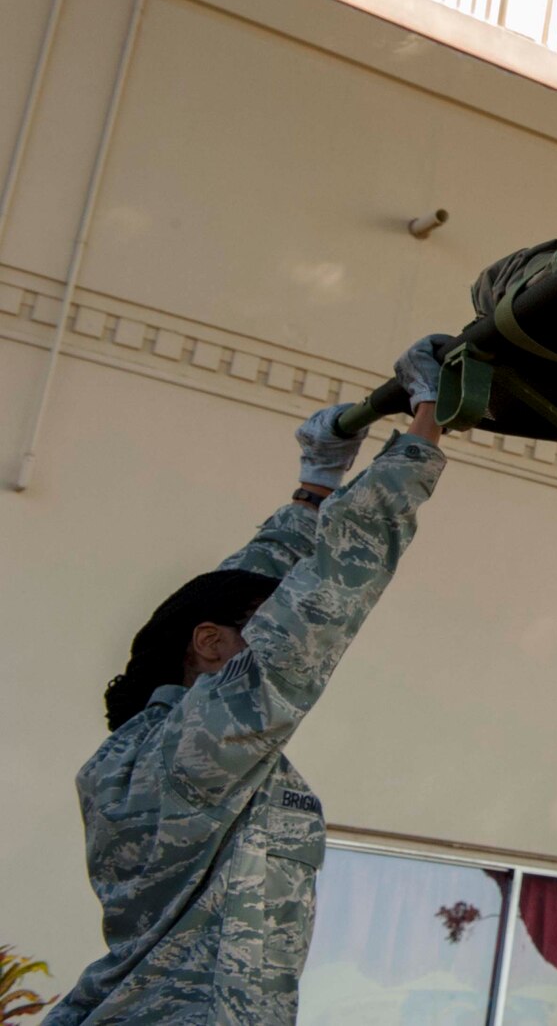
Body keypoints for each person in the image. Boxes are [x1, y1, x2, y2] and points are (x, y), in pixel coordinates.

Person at [45, 336, 452, 1026]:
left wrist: (313, 487)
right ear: (207, 645)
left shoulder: (138, 755)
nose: (271, 635)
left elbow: (251, 593)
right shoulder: (201, 743)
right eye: (254, 632)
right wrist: (425, 422)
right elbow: (325, 598)